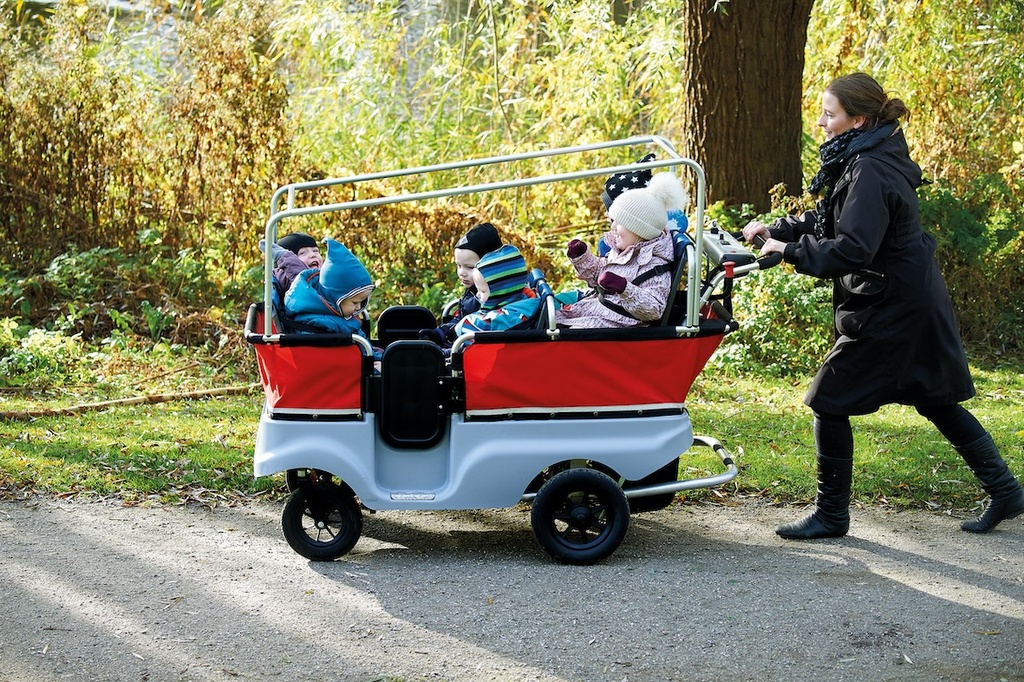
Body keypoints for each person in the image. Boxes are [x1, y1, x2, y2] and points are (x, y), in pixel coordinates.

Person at [741, 72, 1024, 539]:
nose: (822, 122)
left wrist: (789, 252)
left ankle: (831, 515)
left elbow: (853, 247)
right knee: (936, 399)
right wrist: (782, 231)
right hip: (908, 295)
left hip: (893, 306)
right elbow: (836, 217)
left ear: (859, 118)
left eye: (830, 114)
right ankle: (1007, 491)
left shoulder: (869, 166)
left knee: (829, 399)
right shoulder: (868, 155)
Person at [555, 172, 687, 329]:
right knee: (548, 316)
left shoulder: (654, 265)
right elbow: (600, 275)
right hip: (602, 312)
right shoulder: (625, 250)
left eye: (619, 222)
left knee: (561, 330)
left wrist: (624, 288)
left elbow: (654, 309)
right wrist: (583, 258)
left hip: (619, 325)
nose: (613, 227)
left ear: (639, 230)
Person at [418, 222, 503, 347]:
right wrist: (440, 333)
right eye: (458, 265)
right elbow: (461, 319)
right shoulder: (474, 290)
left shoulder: (489, 297)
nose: (462, 273)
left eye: (470, 267)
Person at [283, 237, 374, 338]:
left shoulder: (339, 310)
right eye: (303, 253)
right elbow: (294, 269)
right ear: (337, 299)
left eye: (316, 251)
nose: (358, 307)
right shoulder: (319, 319)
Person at [452, 245, 540, 335]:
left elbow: (465, 327)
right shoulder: (520, 299)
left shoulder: (510, 316)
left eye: (482, 291)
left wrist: (457, 326)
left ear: (500, 292)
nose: (477, 295)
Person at [258, 232, 324, 308]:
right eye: (303, 253)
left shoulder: (326, 277)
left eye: (315, 251)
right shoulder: (285, 277)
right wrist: (284, 256)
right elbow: (302, 280)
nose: (313, 255)